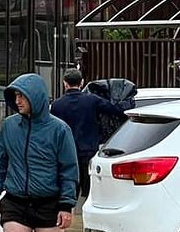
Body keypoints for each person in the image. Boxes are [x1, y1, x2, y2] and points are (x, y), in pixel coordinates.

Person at [0, 73, 80, 232]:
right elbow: (0, 161)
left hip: (50, 205)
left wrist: (66, 205)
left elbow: (69, 170)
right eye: (16, 96)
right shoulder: (9, 126)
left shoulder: (60, 130)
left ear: (36, 97)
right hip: (15, 203)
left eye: (22, 96)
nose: (17, 101)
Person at [50, 69, 132, 198]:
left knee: (69, 191)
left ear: (65, 83)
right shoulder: (92, 100)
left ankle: (70, 213)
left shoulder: (56, 106)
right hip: (89, 152)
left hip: (67, 154)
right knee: (90, 193)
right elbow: (116, 110)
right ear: (81, 82)